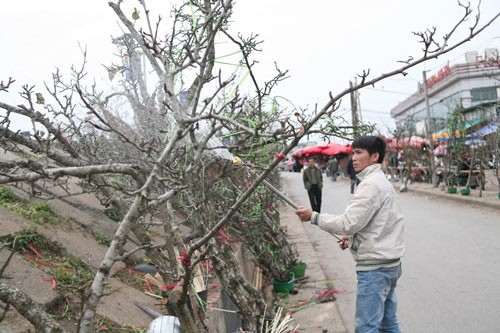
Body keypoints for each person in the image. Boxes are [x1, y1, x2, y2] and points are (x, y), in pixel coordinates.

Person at [295, 136, 405, 333]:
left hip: (376, 269)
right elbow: (378, 224)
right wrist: (353, 239)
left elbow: (348, 223)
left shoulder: (370, 185)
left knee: (366, 327)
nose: (353, 158)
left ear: (374, 156)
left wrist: (314, 217)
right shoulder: (380, 181)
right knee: (388, 324)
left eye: (359, 152)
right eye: (353, 152)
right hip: (389, 264)